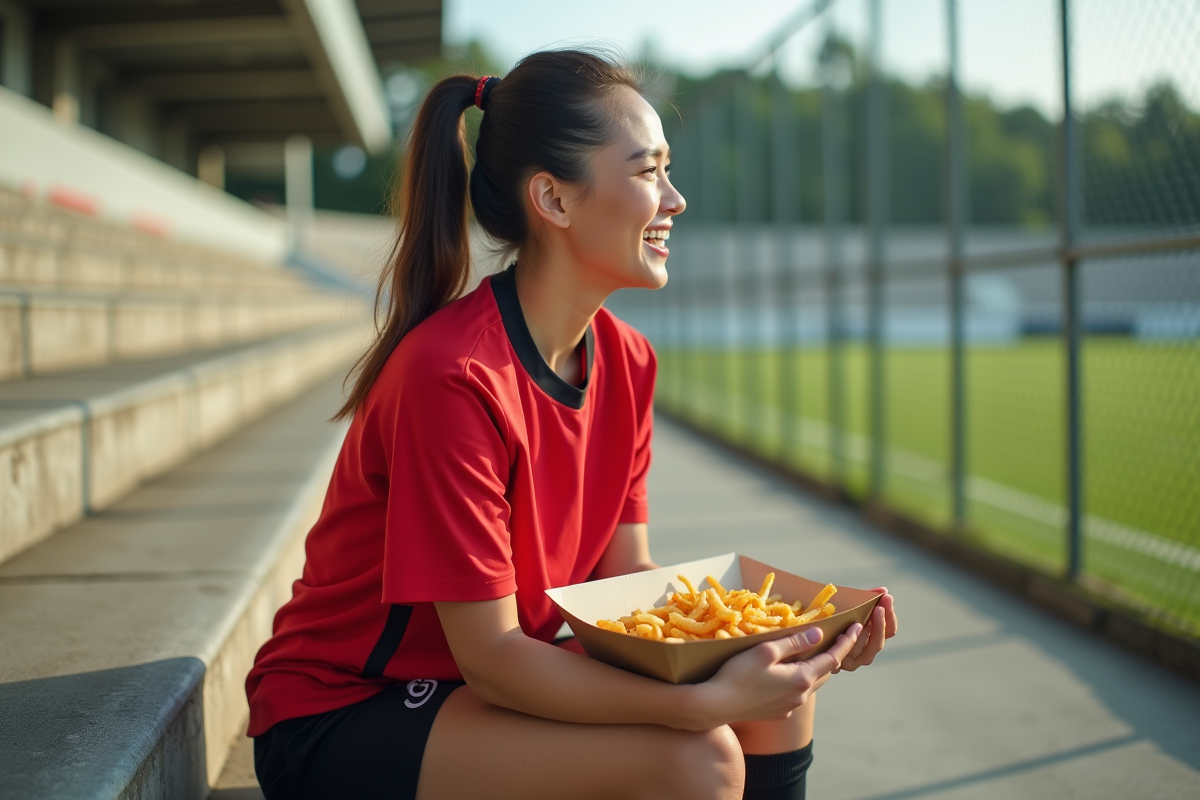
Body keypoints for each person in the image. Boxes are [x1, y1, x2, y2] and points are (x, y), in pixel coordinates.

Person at [245, 49, 899, 800]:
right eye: (648, 170)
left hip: (482, 682)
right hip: (349, 709)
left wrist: (797, 622)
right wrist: (695, 703)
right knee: (699, 757)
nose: (675, 198)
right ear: (553, 200)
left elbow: (621, 579)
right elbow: (491, 657)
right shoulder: (453, 376)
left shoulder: (628, 360)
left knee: (777, 692)